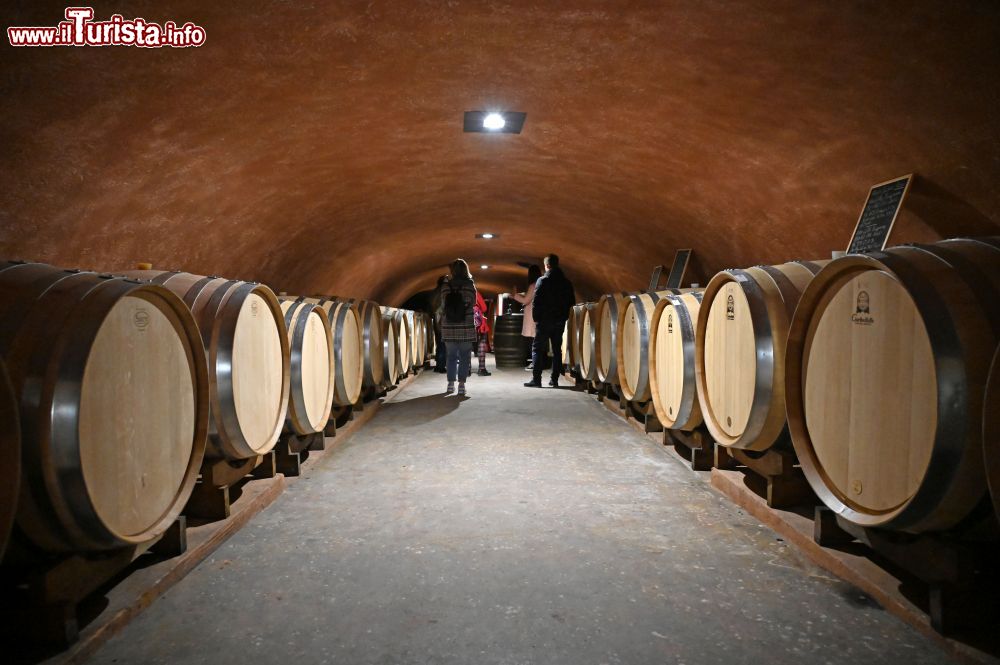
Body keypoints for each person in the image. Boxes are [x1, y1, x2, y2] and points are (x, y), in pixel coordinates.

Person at [524, 254, 575, 388]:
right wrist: (564, 316)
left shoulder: (543, 280)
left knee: (537, 348)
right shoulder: (566, 282)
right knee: (557, 350)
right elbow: (572, 302)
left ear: (547, 266)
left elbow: (537, 301)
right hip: (559, 321)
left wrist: (536, 318)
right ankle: (555, 380)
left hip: (544, 321)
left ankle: (537, 379)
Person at [441, 259, 478, 396]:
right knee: (464, 357)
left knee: (450, 356)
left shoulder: (446, 286)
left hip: (449, 327)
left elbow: (443, 305)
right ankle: (461, 385)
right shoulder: (469, 285)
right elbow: (473, 303)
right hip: (466, 327)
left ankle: (450, 385)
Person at [511, 264, 541, 371]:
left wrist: (515, 295)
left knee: (533, 341)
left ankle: (535, 363)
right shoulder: (540, 284)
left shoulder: (533, 285)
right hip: (537, 315)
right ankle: (536, 362)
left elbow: (526, 300)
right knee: (535, 340)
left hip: (532, 317)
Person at [431, 274, 449, 373]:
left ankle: (438, 364)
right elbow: (444, 306)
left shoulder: (435, 292)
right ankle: (441, 366)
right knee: (443, 344)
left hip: (436, 319)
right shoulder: (444, 292)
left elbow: (431, 306)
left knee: (439, 343)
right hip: (442, 319)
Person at [474, 290, 491, 376]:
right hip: (478, 322)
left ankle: (466, 370)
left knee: (466, 345)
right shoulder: (474, 292)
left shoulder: (457, 292)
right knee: (481, 342)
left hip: (464, 322)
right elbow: (484, 308)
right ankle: (482, 369)